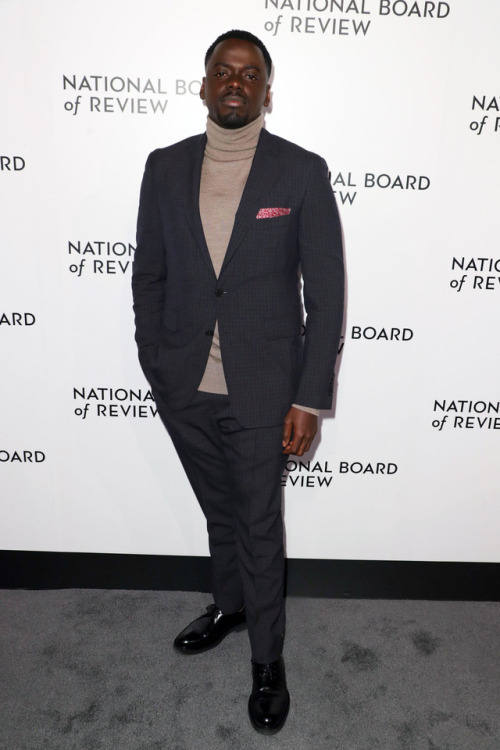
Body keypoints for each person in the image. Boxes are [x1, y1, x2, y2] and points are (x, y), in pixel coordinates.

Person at [132, 29, 344, 734]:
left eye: (249, 73)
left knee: (258, 524)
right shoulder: (163, 168)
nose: (234, 81)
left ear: (266, 93)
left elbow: (328, 294)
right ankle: (231, 604)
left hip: (265, 390)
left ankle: (267, 661)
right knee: (220, 512)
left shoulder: (300, 172)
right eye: (222, 70)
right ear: (202, 85)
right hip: (185, 383)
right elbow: (149, 276)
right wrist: (155, 363)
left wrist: (310, 397)